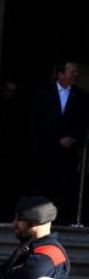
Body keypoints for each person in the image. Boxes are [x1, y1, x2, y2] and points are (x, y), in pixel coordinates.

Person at [30, 60, 89, 221]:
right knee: (45, 184)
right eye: (72, 71)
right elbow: (37, 122)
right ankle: (42, 219)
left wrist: (73, 138)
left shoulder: (82, 95)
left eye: (76, 72)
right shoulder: (44, 94)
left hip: (69, 150)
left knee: (66, 186)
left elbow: (84, 122)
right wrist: (50, 142)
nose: (75, 75)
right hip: (47, 149)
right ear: (61, 74)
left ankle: (63, 219)